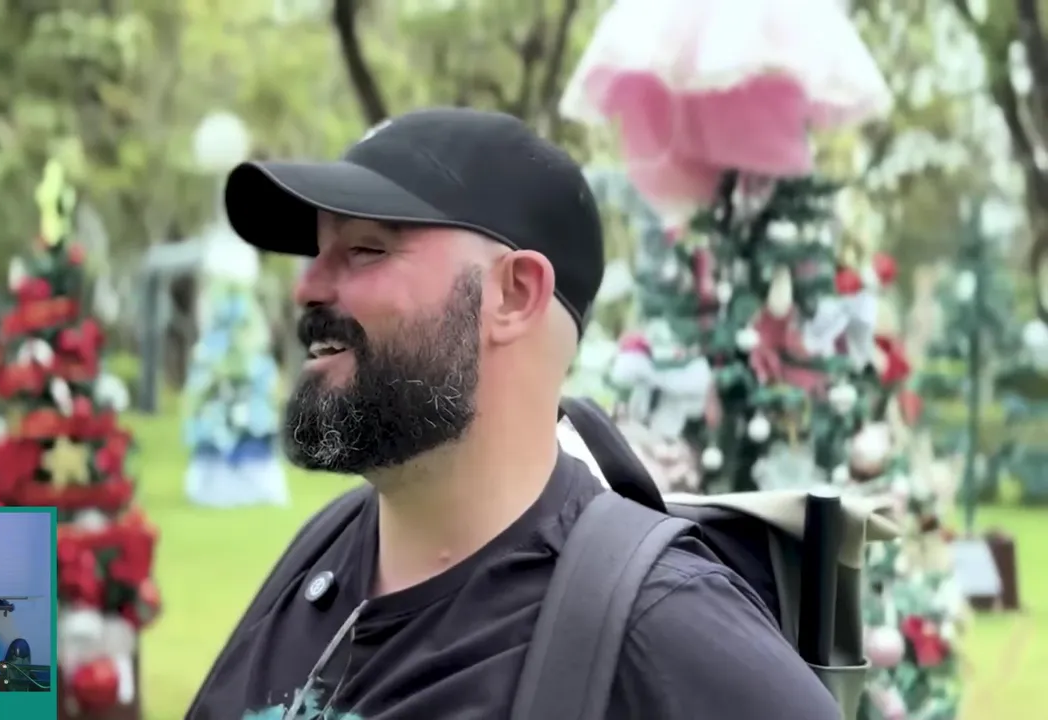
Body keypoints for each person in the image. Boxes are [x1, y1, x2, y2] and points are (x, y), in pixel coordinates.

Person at [185, 108, 841, 720]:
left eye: (365, 249)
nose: (306, 287)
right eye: (317, 252)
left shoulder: (663, 626)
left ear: (515, 294)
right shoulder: (318, 556)